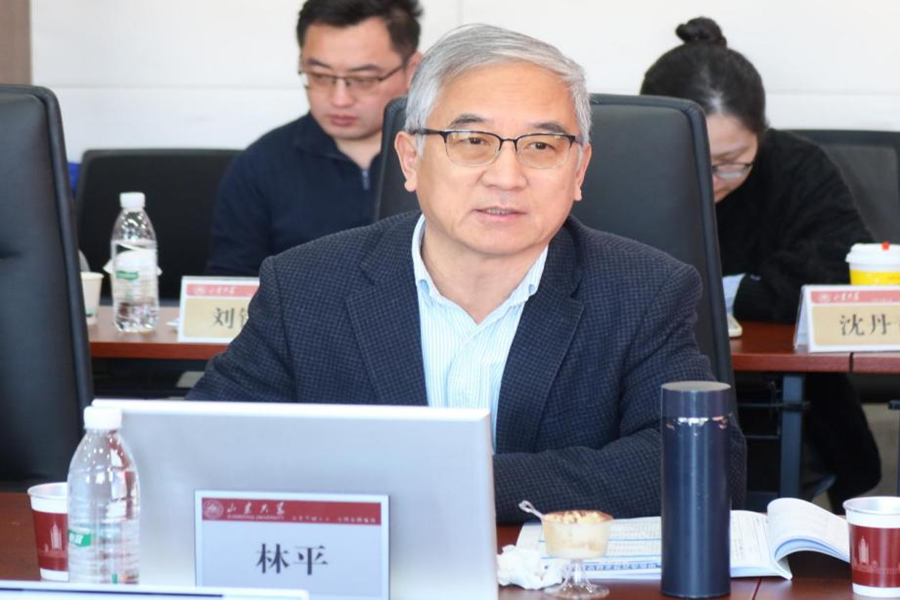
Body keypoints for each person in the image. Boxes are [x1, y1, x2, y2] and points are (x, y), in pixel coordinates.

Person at [190, 24, 747, 523]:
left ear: (579, 169)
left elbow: (703, 461)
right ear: (410, 159)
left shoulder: (645, 291)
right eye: (472, 141)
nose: (506, 176)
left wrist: (458, 482)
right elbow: (204, 446)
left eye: (541, 146)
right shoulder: (306, 286)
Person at [640, 17, 879, 508]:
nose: (711, 180)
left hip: (777, 394)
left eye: (731, 162)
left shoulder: (797, 167)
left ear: (760, 136)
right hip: (643, 389)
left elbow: (838, 269)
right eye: (692, 158)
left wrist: (722, 293)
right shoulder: (616, 170)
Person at [205, 0, 423, 276]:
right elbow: (231, 283)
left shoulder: (446, 156)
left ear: (412, 70)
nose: (339, 99)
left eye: (363, 79)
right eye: (320, 76)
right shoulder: (259, 165)